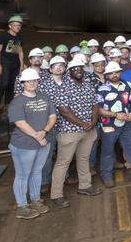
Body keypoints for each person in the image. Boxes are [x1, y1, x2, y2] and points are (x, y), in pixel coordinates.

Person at [48, 55, 102, 207]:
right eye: (74, 69)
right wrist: (82, 123)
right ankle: (56, 195)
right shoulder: (63, 86)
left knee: (83, 158)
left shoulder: (87, 84)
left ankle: (85, 186)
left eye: (80, 69)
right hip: (69, 131)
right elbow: (63, 110)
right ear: (69, 71)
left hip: (88, 129)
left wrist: (92, 122)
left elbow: (95, 104)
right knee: (63, 162)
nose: (78, 71)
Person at [8, 68, 56, 219]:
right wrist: (38, 136)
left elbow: (53, 116)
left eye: (34, 80)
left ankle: (35, 200)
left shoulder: (44, 96)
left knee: (36, 172)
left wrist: (45, 131)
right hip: (24, 144)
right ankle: (22, 206)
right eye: (29, 81)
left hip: (43, 141)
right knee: (23, 175)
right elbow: (20, 123)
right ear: (23, 83)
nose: (32, 83)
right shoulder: (17, 101)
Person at [0, 15, 26, 107]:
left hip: (15, 63)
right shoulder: (2, 37)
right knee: (4, 82)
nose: (18, 27)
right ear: (10, 26)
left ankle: (8, 102)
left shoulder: (19, 37)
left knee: (12, 84)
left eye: (19, 25)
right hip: (5, 62)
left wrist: (21, 65)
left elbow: (20, 52)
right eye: (16, 25)